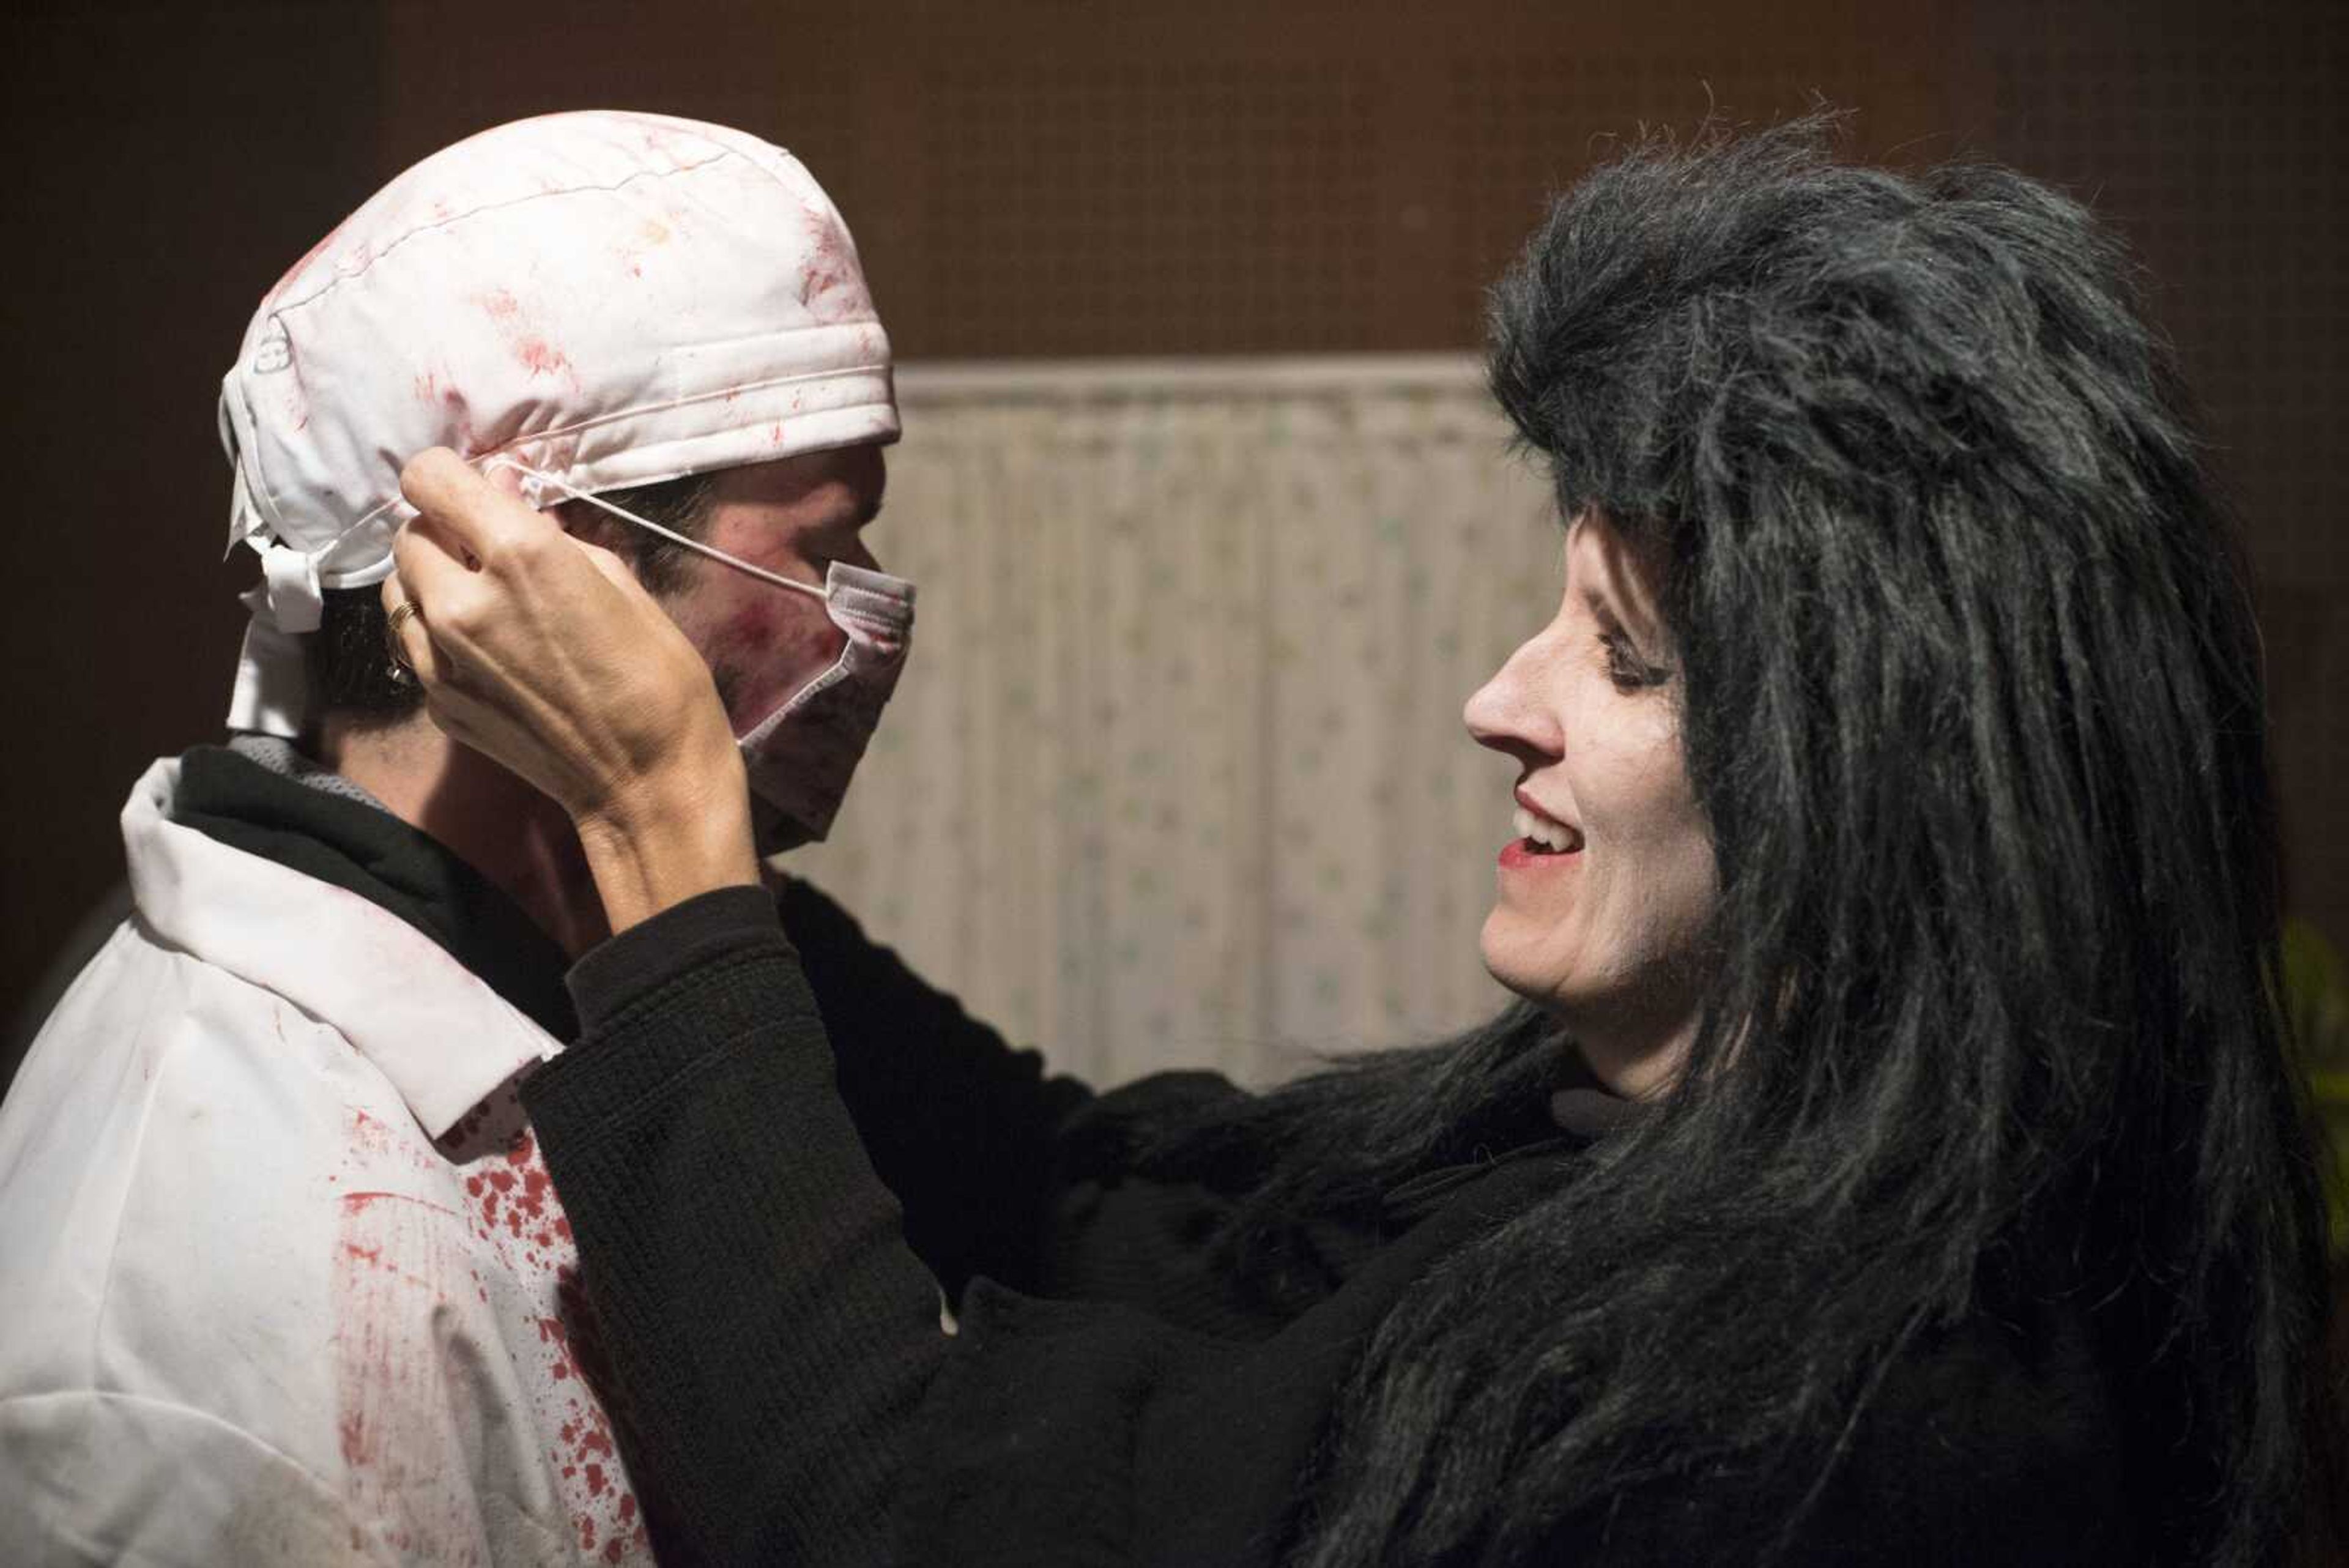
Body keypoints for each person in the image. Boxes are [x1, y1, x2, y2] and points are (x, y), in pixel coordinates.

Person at [384, 119, 2347, 1567]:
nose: (1505, 699)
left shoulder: (1833, 1427)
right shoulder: (1609, 1157)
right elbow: (1110, 1193)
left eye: (1631, 660)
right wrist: (640, 862)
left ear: (1878, 784)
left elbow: (888, 1517)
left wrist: (665, 838)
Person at [0, 110, 911, 1564]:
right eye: (822, 543)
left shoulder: (563, 967)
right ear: (543, 569)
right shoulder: (221, 1288)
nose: (862, 605)